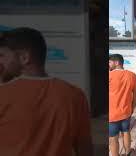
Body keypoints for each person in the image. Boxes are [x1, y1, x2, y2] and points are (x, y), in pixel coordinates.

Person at [0, 27, 93, 156]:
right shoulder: (75, 95)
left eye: (2, 56)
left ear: (24, 57)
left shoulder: (4, 94)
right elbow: (84, 149)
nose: (1, 62)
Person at [109, 54, 136, 156]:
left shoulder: (109, 75)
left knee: (113, 138)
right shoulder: (132, 75)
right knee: (126, 132)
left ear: (117, 63)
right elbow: (135, 95)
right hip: (126, 112)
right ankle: (128, 152)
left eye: (110, 62)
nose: (109, 64)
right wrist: (132, 108)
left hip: (112, 114)